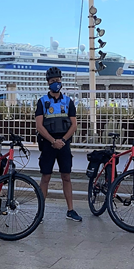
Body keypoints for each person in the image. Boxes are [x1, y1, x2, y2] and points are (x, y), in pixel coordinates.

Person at [35, 67, 82, 222]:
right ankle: (40, 212)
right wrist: (52, 141)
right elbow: (39, 126)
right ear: (48, 83)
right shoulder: (42, 102)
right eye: (53, 81)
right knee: (45, 177)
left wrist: (62, 141)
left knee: (66, 176)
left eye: (58, 80)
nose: (56, 83)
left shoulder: (68, 101)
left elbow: (74, 125)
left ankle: (71, 209)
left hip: (64, 143)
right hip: (49, 144)